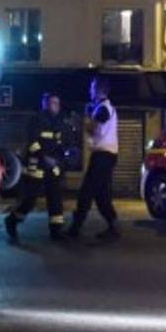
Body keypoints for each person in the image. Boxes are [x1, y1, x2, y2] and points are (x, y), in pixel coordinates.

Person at [4, 91, 68, 242]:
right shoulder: (36, 120)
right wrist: (44, 158)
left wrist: (59, 161)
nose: (56, 106)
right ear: (44, 104)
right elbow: (33, 143)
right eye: (53, 103)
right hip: (36, 166)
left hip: (52, 166)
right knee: (29, 200)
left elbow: (60, 145)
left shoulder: (59, 123)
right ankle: (12, 220)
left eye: (57, 103)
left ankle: (56, 231)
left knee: (55, 199)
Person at [68, 77, 120, 240]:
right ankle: (113, 226)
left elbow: (93, 127)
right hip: (106, 155)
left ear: (98, 90)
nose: (90, 91)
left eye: (92, 88)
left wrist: (81, 120)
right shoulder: (104, 107)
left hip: (103, 156)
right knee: (101, 193)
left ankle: (75, 228)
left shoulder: (103, 108)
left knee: (86, 191)